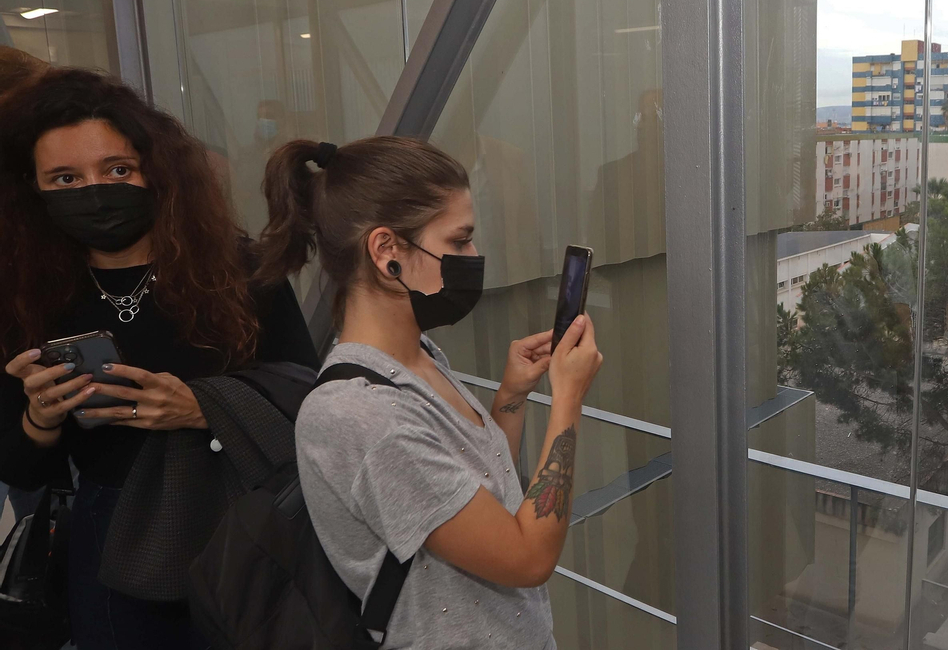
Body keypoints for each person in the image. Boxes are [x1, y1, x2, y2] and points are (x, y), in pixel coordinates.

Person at [0, 68, 318, 649]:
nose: (93, 191)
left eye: (116, 169)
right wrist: (40, 418)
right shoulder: (27, 296)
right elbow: (20, 471)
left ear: (157, 169)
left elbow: (310, 397)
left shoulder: (239, 270)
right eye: (65, 178)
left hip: (243, 524)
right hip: (111, 538)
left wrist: (203, 406)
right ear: (34, 191)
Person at [257, 136, 603, 649]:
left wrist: (511, 396)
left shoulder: (417, 356)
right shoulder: (360, 416)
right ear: (386, 251)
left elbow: (472, 493)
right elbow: (527, 558)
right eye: (459, 241)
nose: (474, 255)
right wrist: (567, 402)